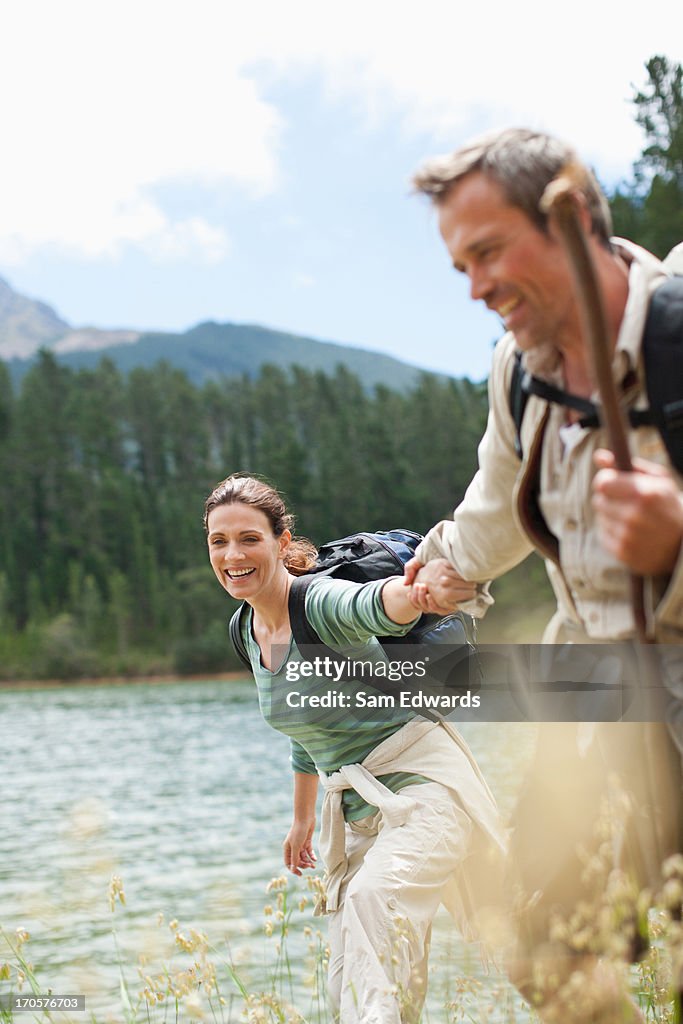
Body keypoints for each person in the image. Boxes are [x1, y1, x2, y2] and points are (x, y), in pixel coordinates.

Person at [404, 127, 683, 1022]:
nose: (478, 287)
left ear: (571, 226)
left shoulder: (678, 335)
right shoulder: (517, 374)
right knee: (543, 951)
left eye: (488, 252)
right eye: (460, 269)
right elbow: (495, 504)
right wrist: (442, 569)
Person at [204, 473, 507, 1024]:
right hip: (357, 813)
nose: (233, 555)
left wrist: (415, 594)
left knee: (376, 902)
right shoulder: (245, 629)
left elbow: (374, 603)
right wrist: (301, 820)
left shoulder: (317, 604)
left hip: (424, 790)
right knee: (353, 987)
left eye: (249, 538)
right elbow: (304, 728)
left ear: (280, 540)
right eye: (219, 541)